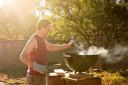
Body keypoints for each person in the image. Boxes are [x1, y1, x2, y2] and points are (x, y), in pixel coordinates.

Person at [20, 19, 74, 85]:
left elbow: (51, 47)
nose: (49, 31)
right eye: (48, 29)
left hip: (41, 76)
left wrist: (67, 45)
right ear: (42, 28)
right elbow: (22, 57)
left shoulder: (42, 39)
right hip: (34, 77)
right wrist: (37, 67)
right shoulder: (34, 39)